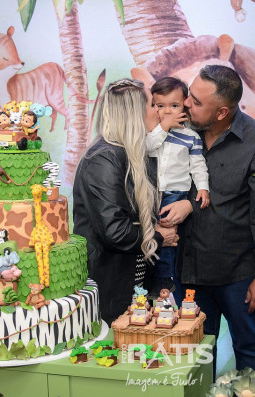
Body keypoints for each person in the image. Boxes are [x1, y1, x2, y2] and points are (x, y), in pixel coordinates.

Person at [159, 65, 255, 371]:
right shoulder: (179, 132)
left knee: (252, 353)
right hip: (188, 271)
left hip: (238, 275)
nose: (186, 103)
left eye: (196, 102)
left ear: (222, 113)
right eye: (190, 95)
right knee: (195, 357)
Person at [72, 78, 178, 324]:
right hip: (109, 284)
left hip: (133, 279)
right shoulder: (104, 159)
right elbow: (116, 232)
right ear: (135, 113)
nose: (158, 111)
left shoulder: (131, 154)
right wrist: (158, 237)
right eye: (152, 105)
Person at [145, 77, 210, 300]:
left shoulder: (191, 137)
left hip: (175, 194)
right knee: (150, 235)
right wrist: (163, 128)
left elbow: (198, 165)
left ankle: (165, 278)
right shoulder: (151, 133)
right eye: (160, 106)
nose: (167, 111)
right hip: (150, 193)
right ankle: (149, 279)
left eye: (174, 105)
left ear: (185, 106)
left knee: (168, 235)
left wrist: (203, 187)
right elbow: (148, 147)